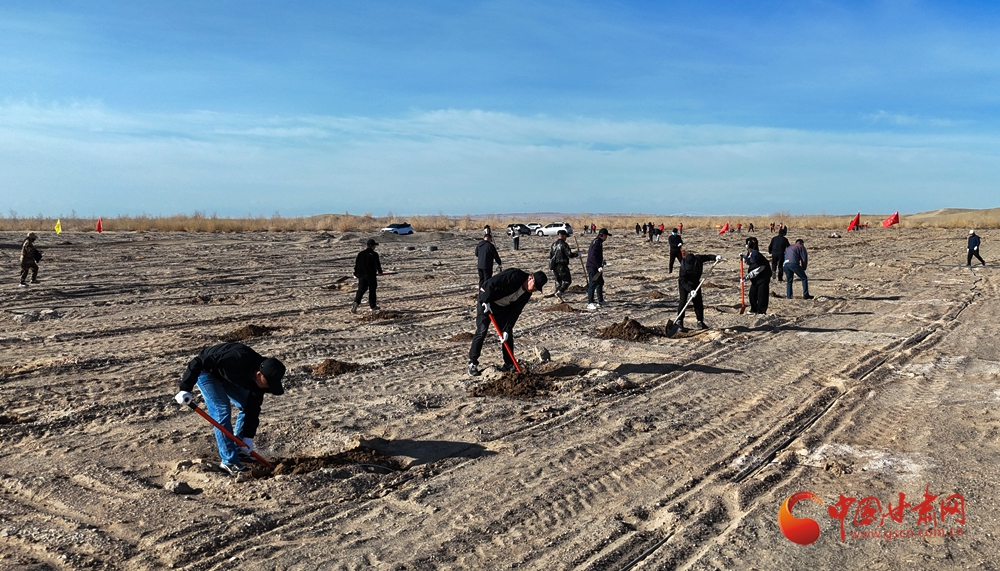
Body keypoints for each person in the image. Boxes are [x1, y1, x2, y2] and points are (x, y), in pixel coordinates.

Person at [174, 342, 286, 475]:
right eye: (269, 383)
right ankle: (229, 461)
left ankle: (239, 448)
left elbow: (253, 408)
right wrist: (185, 388)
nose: (269, 387)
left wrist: (247, 437)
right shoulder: (236, 358)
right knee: (221, 410)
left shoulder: (259, 381)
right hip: (206, 371)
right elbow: (198, 361)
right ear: (258, 374)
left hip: (227, 375)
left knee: (247, 403)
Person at [468, 269, 547, 376]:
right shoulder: (515, 275)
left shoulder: (526, 294)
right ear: (530, 278)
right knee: (482, 331)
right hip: (487, 301)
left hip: (501, 308)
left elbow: (515, 312)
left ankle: (508, 364)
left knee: (507, 335)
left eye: (537, 289)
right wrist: (485, 300)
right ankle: (473, 363)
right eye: (535, 286)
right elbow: (492, 283)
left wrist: (507, 329)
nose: (535, 290)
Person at [677, 251, 721, 330]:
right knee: (683, 301)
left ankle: (700, 322)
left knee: (698, 302)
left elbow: (707, 257)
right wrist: (690, 290)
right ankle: (679, 321)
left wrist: (715, 257)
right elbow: (682, 281)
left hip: (695, 283)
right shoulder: (683, 267)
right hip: (684, 284)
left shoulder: (698, 259)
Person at [741, 237, 772, 314]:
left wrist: (746, 278)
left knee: (762, 295)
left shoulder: (759, 259)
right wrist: (744, 258)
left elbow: (755, 272)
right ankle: (754, 309)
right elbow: (749, 261)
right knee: (752, 293)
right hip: (756, 279)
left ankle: (761, 311)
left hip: (763, 278)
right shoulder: (752, 254)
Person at [352, 238, 383, 312]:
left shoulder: (360, 254)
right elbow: (377, 265)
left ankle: (356, 302)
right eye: (374, 246)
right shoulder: (374, 254)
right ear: (372, 246)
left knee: (361, 290)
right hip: (371, 275)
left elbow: (357, 265)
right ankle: (373, 306)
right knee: (372, 290)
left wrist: (356, 273)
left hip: (361, 275)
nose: (375, 247)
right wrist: (380, 272)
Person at [586, 228, 611, 310]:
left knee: (600, 282)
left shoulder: (599, 242)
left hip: (596, 266)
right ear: (602, 235)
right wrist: (598, 266)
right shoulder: (596, 242)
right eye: (606, 236)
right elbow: (593, 255)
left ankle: (600, 300)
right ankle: (590, 303)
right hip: (592, 267)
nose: (606, 238)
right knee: (592, 283)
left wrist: (601, 261)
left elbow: (597, 255)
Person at [548, 230, 576, 301]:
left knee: (558, 282)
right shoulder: (564, 244)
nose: (566, 238)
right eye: (565, 236)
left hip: (554, 265)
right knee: (567, 281)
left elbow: (550, 256)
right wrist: (577, 254)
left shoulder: (553, 244)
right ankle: (560, 292)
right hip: (562, 265)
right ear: (563, 236)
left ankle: (558, 297)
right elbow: (569, 254)